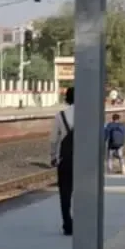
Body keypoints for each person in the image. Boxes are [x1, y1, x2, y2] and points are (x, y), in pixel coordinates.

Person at [49, 86, 76, 236]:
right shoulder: (89, 114)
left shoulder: (60, 115)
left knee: (65, 193)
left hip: (66, 159)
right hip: (85, 160)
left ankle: (67, 223)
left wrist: (53, 156)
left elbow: (54, 139)